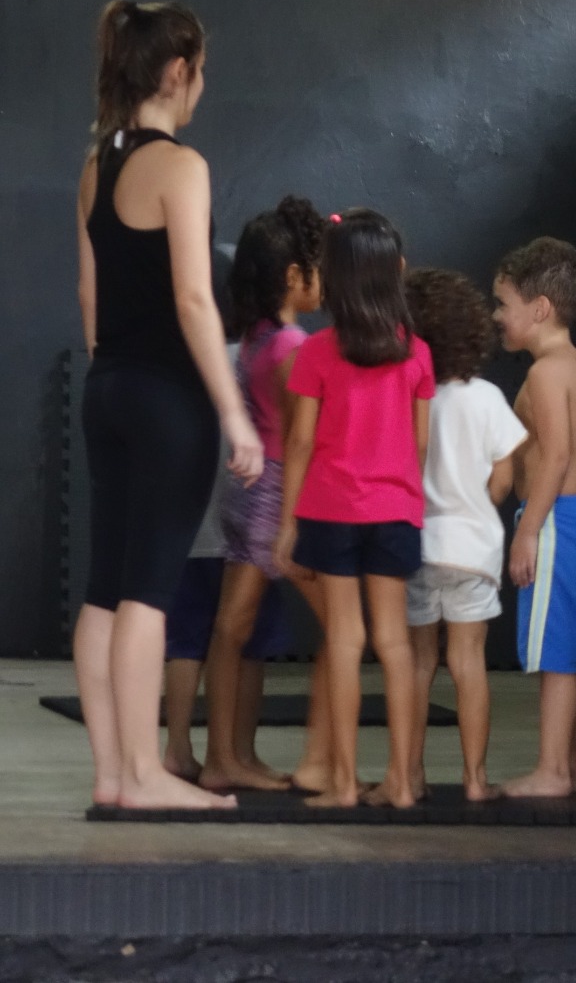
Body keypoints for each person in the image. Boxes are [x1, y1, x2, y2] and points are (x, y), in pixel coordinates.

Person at [73, 0, 261, 811]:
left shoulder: (96, 166)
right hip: (166, 401)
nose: (202, 88)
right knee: (148, 591)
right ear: (177, 71)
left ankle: (113, 774)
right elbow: (193, 298)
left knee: (104, 591)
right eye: (202, 72)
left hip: (108, 389)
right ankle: (147, 775)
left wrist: (116, 373)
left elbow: (90, 296)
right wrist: (233, 412)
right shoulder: (182, 167)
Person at [274, 208, 435, 809]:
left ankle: (342, 784)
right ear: (395, 272)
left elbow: (299, 443)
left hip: (331, 508)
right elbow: (420, 443)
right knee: (395, 643)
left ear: (334, 278)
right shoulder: (417, 353)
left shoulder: (316, 353)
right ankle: (401, 784)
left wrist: (288, 524)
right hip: (396, 511)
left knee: (345, 640)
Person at [198, 196, 333, 792]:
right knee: (339, 628)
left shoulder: (260, 336)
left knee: (235, 627)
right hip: (277, 496)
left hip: (252, 494)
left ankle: (233, 757)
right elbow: (304, 437)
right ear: (294, 276)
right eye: (317, 269)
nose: (324, 281)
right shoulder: (291, 346)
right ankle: (249, 762)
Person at [491, 237, 576, 799]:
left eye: (503, 303)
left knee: (556, 656)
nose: (496, 315)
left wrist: (527, 531)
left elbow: (558, 456)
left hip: (560, 522)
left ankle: (552, 771)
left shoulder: (545, 373)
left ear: (539, 308)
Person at [403, 268, 528, 802]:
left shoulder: (410, 398)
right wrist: (476, 504)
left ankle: (409, 775)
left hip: (417, 547)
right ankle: (475, 780)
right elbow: (503, 480)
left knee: (417, 663)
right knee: (468, 662)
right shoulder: (487, 398)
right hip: (473, 551)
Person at [162, 446, 293, 783]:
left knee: (185, 646)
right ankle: (242, 753)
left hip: (189, 535)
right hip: (244, 536)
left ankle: (178, 750)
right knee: (249, 643)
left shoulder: (189, 418)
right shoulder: (250, 422)